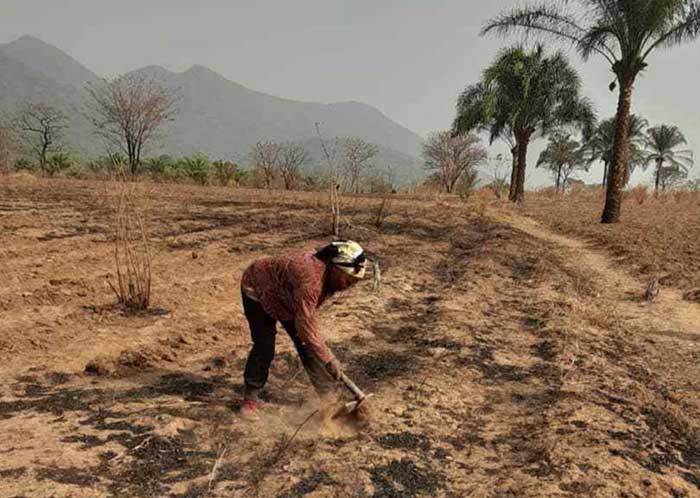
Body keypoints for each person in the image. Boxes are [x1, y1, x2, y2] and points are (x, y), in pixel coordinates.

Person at [238, 240, 367, 419]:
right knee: (264, 345)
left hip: (287, 298)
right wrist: (329, 359)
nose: (348, 285)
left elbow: (307, 328)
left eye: (353, 282)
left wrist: (322, 353)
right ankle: (250, 399)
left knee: (309, 348)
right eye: (347, 279)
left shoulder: (327, 277)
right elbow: (306, 326)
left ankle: (329, 400)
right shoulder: (310, 281)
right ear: (335, 267)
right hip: (257, 289)